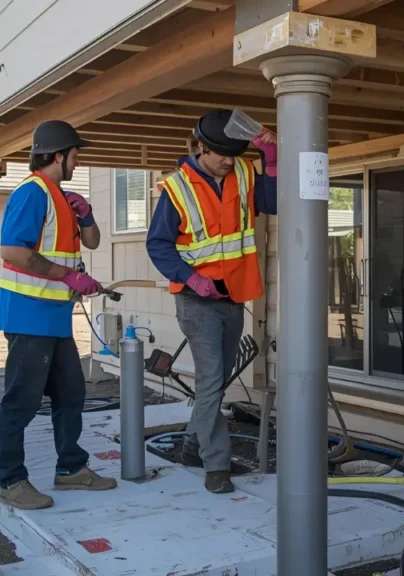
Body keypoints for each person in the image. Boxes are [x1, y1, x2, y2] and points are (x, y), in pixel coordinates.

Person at [146, 109, 277, 493]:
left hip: (233, 296)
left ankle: (192, 448)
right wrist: (192, 278)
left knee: (216, 382)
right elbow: (158, 244)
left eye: (234, 154)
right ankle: (216, 466)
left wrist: (271, 159)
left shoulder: (243, 173)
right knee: (211, 380)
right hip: (196, 300)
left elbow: (273, 202)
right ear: (201, 147)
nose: (228, 161)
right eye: (221, 154)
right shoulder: (177, 188)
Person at [0, 120, 117, 510]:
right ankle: (11, 480)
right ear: (59, 155)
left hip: (53, 315)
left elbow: (92, 241)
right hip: (29, 314)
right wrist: (69, 276)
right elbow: (13, 252)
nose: (78, 163)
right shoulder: (32, 193)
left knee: (71, 393)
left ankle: (70, 469)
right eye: (75, 155)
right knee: (22, 400)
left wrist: (86, 215)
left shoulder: (58, 196)